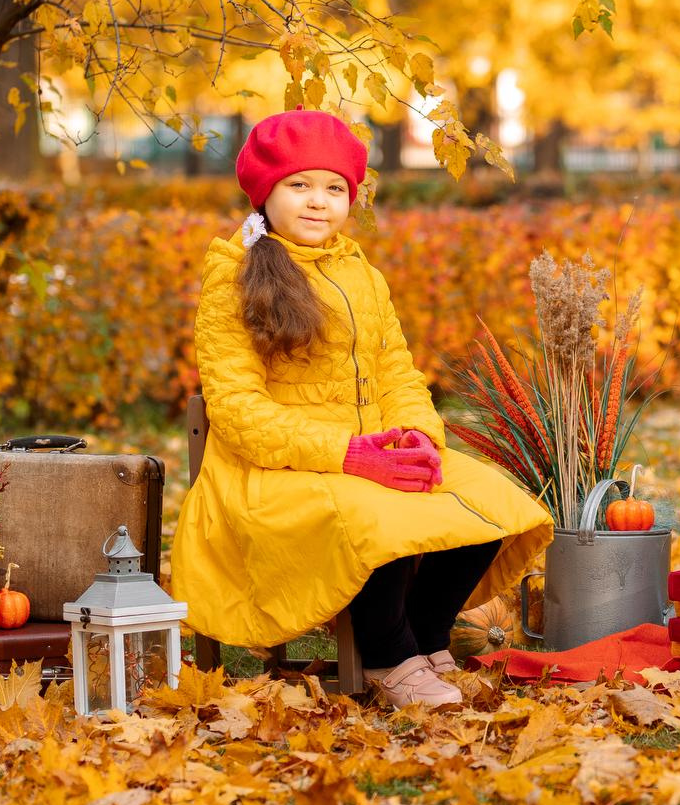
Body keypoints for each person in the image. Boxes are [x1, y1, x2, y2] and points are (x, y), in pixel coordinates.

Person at [172, 110, 551, 709]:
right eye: (299, 186)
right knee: (377, 513)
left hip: (374, 453)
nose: (318, 201)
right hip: (274, 471)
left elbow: (398, 372)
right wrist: (349, 455)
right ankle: (386, 654)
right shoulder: (236, 277)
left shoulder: (362, 274)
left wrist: (420, 437)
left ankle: (424, 636)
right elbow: (239, 410)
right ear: (265, 193)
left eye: (334, 188)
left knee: (491, 501)